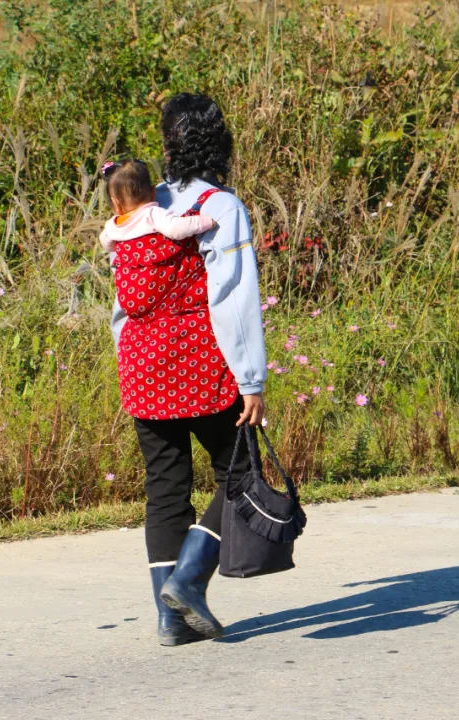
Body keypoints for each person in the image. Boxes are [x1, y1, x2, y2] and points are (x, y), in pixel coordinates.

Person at [107, 93, 267, 646]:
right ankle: (191, 580)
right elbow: (232, 297)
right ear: (218, 139)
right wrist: (251, 378)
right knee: (242, 470)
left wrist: (132, 359)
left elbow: (122, 301)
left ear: (169, 141)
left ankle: (169, 620)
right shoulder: (221, 207)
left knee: (165, 486)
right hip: (200, 364)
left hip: (142, 363)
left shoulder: (139, 204)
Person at [98, 159, 216, 253]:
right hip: (156, 278)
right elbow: (175, 229)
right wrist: (206, 222)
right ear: (154, 192)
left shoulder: (112, 226)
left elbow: (106, 244)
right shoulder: (152, 214)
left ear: (115, 203)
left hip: (130, 281)